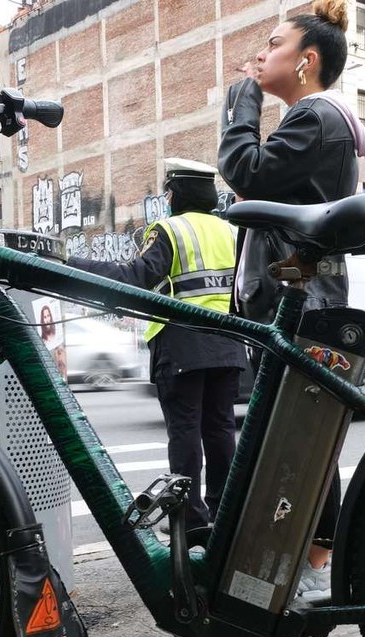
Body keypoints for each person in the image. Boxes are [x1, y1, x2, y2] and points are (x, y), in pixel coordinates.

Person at [217, 0, 365, 596]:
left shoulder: (315, 118)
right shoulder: (315, 118)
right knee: (299, 435)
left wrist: (241, 104)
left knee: (300, 440)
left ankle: (310, 565)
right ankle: (307, 559)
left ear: (306, 62)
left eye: (274, 44)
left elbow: (246, 171)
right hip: (300, 297)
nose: (260, 53)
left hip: (303, 303)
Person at [66, 158, 247, 535]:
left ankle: (193, 521)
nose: (165, 197)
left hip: (182, 346)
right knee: (219, 430)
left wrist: (71, 264)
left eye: (168, 191)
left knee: (184, 431)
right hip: (228, 345)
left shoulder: (171, 229)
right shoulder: (231, 232)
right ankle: (224, 512)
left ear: (177, 193)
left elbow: (135, 277)